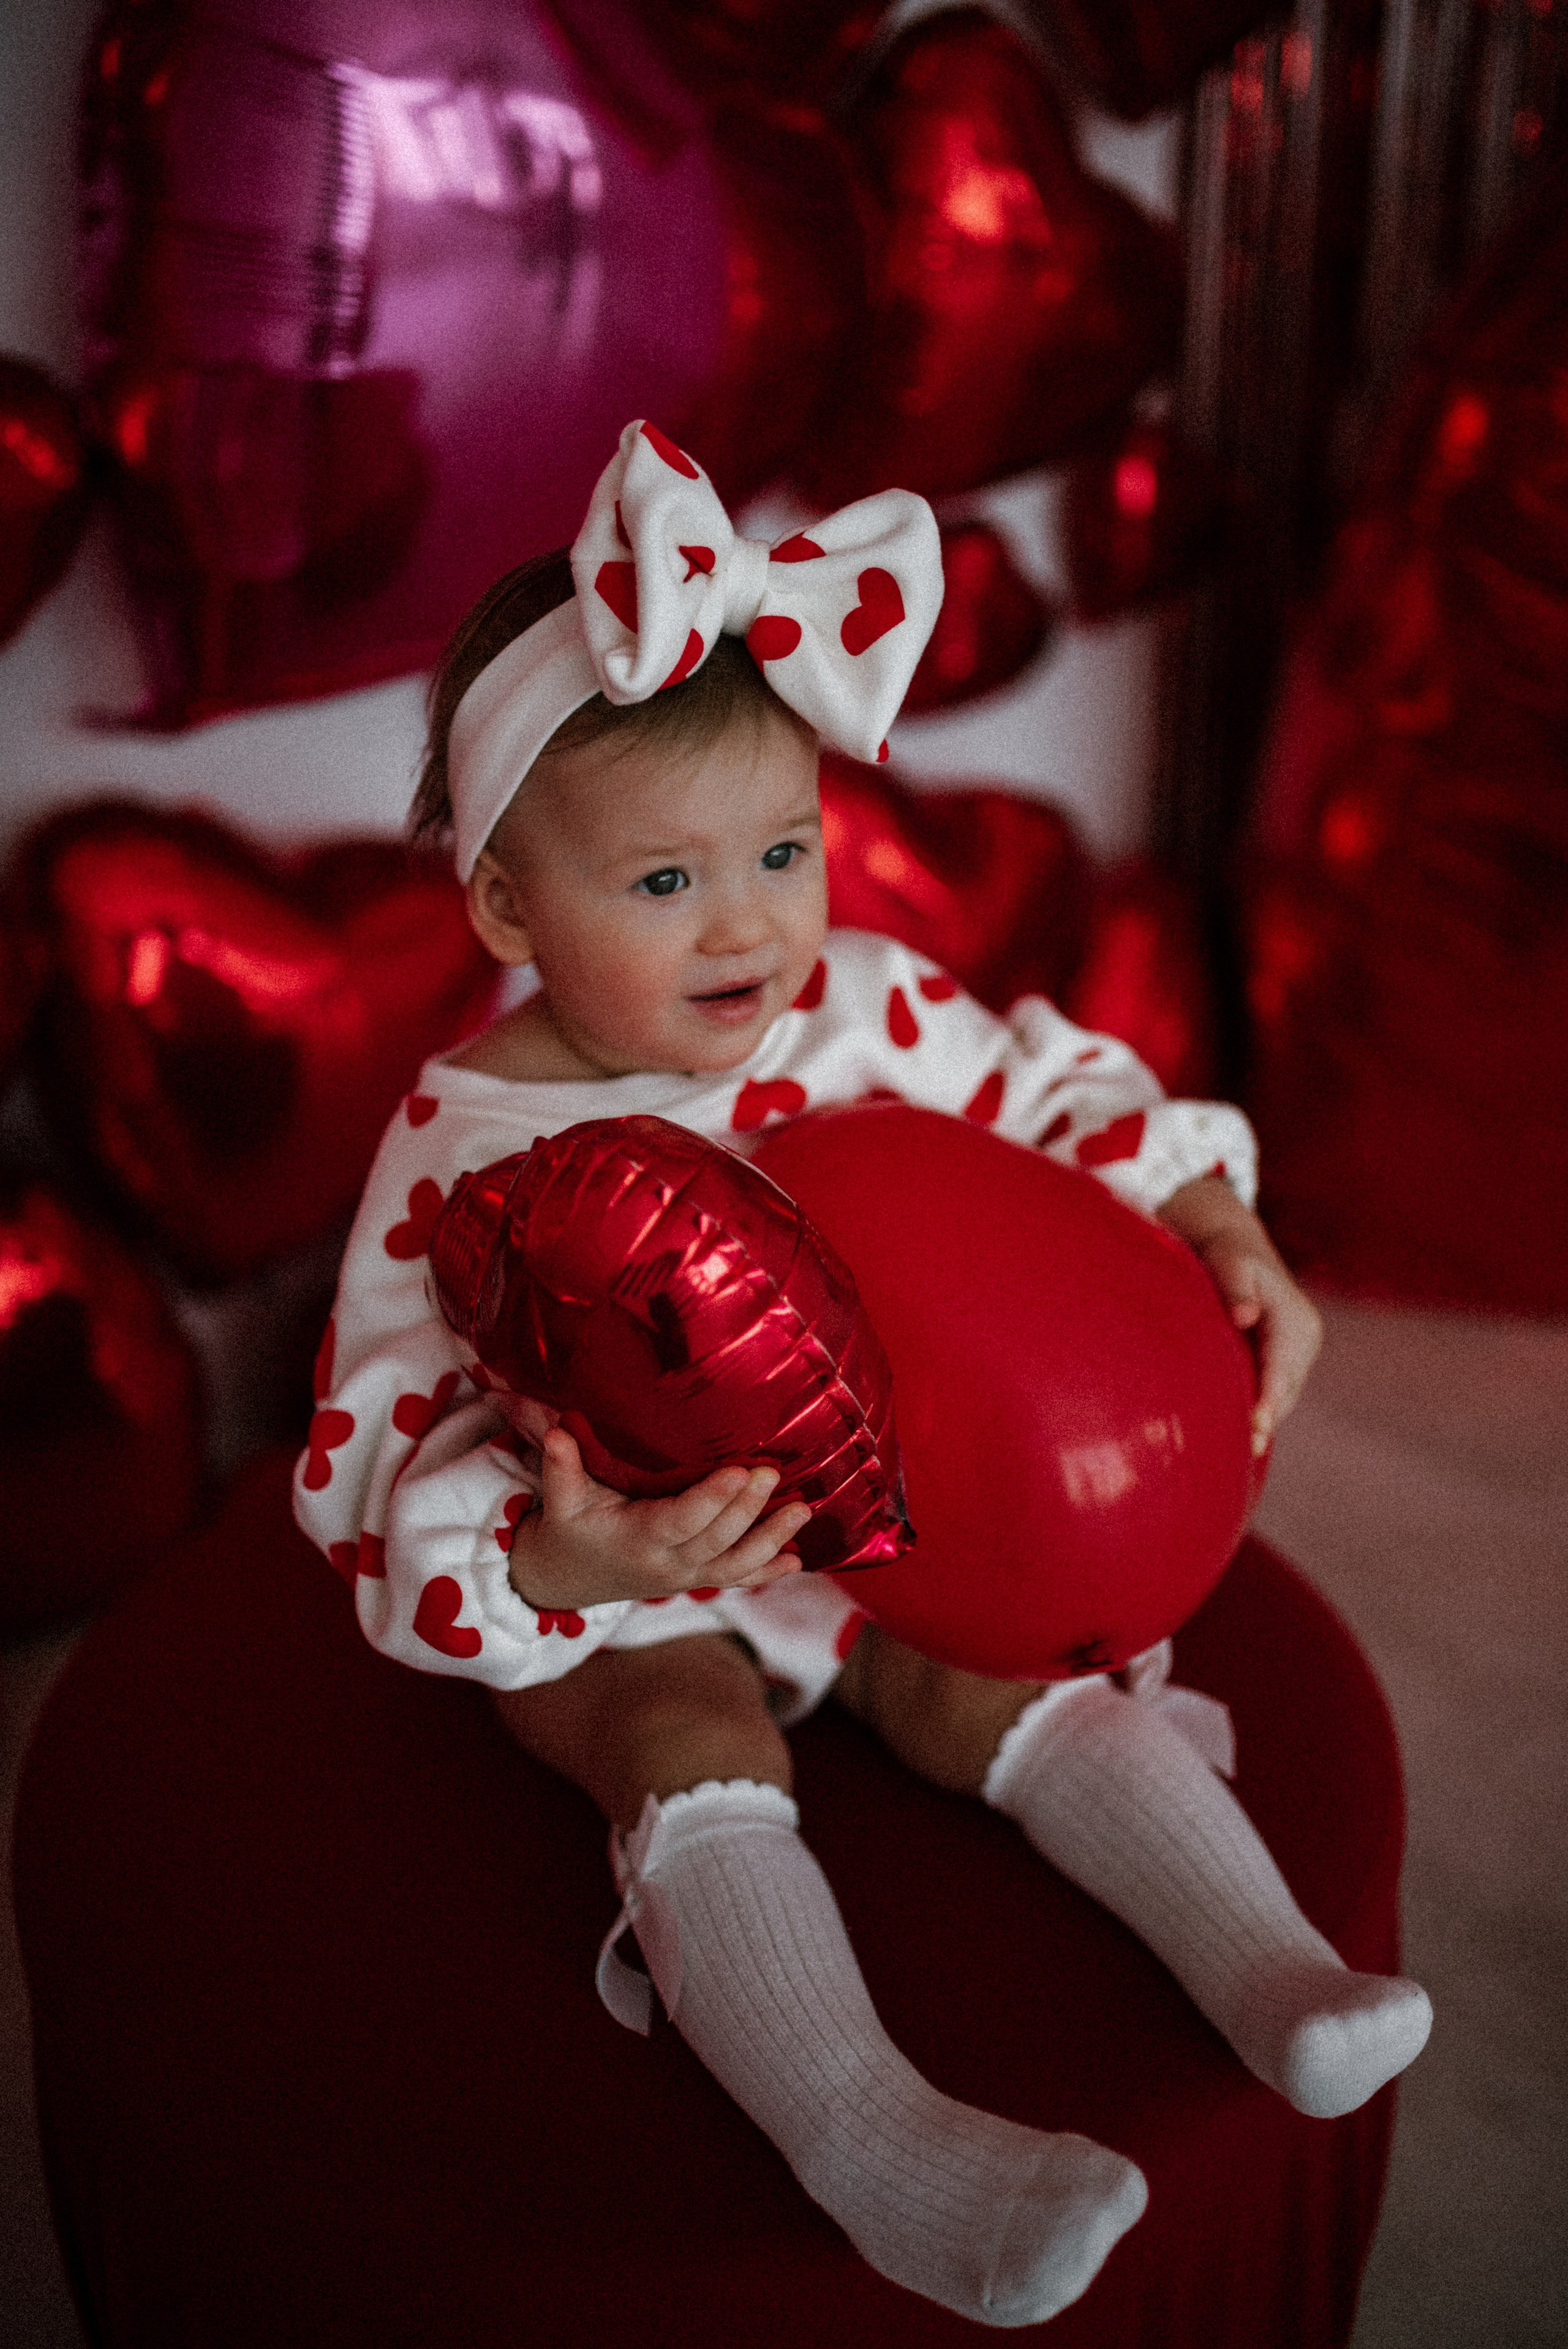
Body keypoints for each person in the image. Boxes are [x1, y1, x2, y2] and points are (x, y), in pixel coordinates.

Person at [296, 420, 1431, 2331]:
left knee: (998, 1652)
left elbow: (1050, 1096)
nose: (749, 920)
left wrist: (1207, 1217)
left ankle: (1267, 1963)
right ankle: (876, 2137)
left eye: (782, 850)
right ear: (506, 907)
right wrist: (566, 1564)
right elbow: (373, 1439)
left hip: (880, 1515)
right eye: (661, 881)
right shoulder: (461, 1141)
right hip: (629, 1581)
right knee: (681, 1732)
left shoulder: (860, 1008)